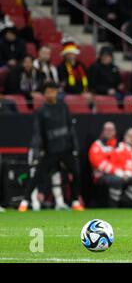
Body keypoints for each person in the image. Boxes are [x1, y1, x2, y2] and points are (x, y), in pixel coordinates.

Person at [18, 82, 85, 212]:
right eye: (48, 91)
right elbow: (37, 132)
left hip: (66, 149)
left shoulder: (63, 107)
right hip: (50, 151)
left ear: (56, 92)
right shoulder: (41, 111)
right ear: (44, 94)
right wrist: (37, 150)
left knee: (76, 173)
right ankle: (24, 202)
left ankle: (75, 201)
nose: (51, 94)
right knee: (37, 175)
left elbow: (70, 128)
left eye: (53, 91)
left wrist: (75, 147)